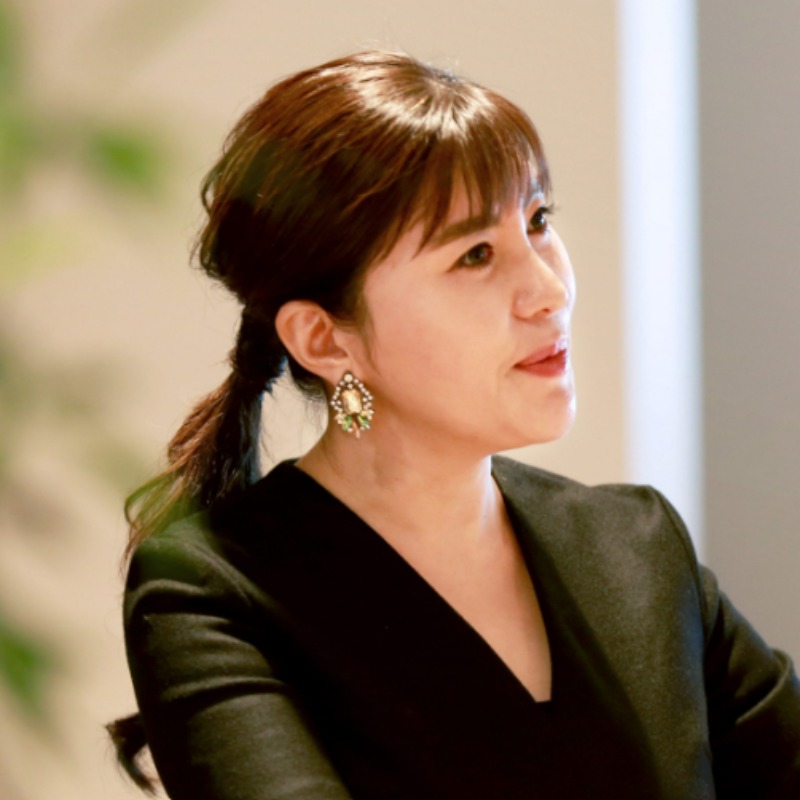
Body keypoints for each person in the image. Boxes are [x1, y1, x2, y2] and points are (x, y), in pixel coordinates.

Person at [109, 50, 800, 799]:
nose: (548, 289)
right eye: (475, 254)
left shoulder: (638, 549)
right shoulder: (213, 592)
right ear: (324, 339)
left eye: (538, 221)